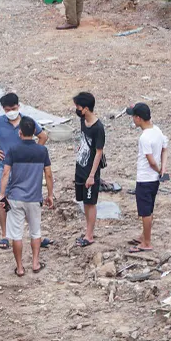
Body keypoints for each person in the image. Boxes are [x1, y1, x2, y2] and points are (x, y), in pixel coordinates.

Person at [0, 93, 47, 249]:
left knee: (26, 201)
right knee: (2, 200)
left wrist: (35, 154)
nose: (11, 111)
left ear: (18, 106)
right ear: (3, 109)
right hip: (2, 166)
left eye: (13, 108)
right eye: (8, 109)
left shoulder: (27, 122)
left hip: (21, 169)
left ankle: (35, 236)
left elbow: (43, 136)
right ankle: (5, 235)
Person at [0, 117, 54, 277]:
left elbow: (5, 173)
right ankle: (36, 263)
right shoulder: (42, 151)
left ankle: (20, 267)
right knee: (35, 231)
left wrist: (2, 195)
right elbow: (49, 175)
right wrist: (50, 195)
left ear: (20, 132)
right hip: (34, 197)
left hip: (15, 197)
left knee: (16, 234)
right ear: (34, 133)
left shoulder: (13, 150)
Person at [126, 103, 168, 253]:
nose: (132, 119)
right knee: (149, 208)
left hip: (145, 178)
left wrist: (157, 169)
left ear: (138, 118)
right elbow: (165, 148)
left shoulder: (144, 137)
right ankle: (144, 235)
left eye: (133, 117)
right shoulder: (157, 130)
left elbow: (150, 161)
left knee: (145, 212)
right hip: (154, 179)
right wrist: (163, 169)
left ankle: (147, 242)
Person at [73, 92, 105, 247]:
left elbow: (99, 152)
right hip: (80, 165)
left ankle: (90, 235)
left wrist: (92, 175)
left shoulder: (98, 128)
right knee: (84, 201)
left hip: (90, 170)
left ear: (85, 108)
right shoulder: (83, 121)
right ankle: (88, 230)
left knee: (90, 202)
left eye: (78, 107)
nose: (77, 110)